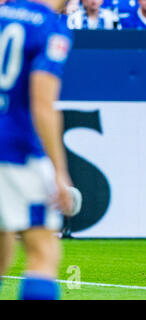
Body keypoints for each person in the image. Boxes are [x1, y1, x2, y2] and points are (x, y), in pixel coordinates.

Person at [0, 0, 80, 299]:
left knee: (3, 241)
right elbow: (42, 106)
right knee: (43, 251)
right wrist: (60, 171)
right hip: (15, 150)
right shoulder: (49, 26)